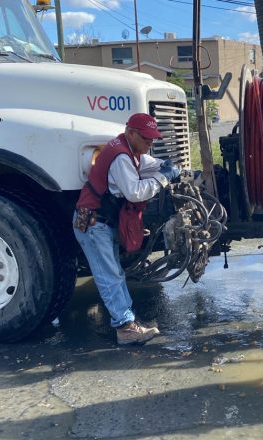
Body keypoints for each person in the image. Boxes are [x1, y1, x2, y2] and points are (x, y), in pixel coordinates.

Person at [73, 113, 180, 345]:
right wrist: (164, 178)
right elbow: (135, 192)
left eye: (153, 139)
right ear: (130, 132)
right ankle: (125, 328)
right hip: (94, 224)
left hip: (99, 222)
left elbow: (147, 164)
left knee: (115, 274)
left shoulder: (128, 149)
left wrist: (166, 166)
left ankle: (129, 321)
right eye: (146, 138)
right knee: (109, 276)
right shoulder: (122, 157)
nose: (150, 143)